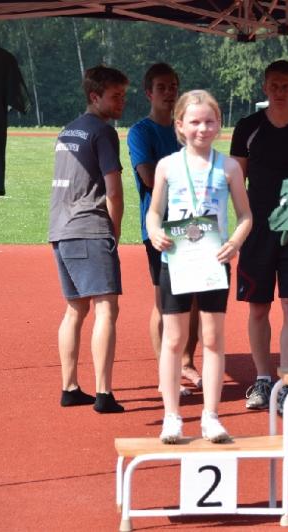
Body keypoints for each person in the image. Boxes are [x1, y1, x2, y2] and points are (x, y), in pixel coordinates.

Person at [147, 90, 252, 443]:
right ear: (180, 125)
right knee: (174, 339)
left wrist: (234, 243)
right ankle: (172, 417)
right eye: (194, 122)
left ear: (219, 124)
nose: (202, 129)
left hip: (213, 261)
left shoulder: (229, 167)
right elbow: (153, 213)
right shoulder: (167, 166)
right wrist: (154, 232)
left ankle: (211, 416)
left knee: (212, 338)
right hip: (176, 261)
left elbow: (246, 215)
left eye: (209, 121)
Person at [230, 60, 288, 415]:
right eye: (274, 85)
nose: (280, 92)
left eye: (286, 86)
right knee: (258, 306)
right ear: (265, 87)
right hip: (257, 228)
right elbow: (235, 180)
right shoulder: (248, 127)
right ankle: (262, 379)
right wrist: (243, 222)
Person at [49, 65, 128, 414]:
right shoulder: (103, 132)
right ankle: (103, 393)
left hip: (60, 228)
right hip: (89, 227)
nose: (121, 102)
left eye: (123, 95)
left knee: (76, 308)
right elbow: (114, 190)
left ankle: (69, 386)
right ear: (95, 97)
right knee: (106, 308)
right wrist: (115, 228)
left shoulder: (67, 131)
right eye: (115, 96)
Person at [127, 63, 202, 398]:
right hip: (160, 228)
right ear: (149, 93)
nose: (169, 93)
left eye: (173, 86)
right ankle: (165, 373)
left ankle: (187, 362)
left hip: (194, 225)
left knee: (195, 297)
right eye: (162, 87)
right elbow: (148, 178)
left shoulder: (185, 129)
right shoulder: (140, 132)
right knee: (165, 301)